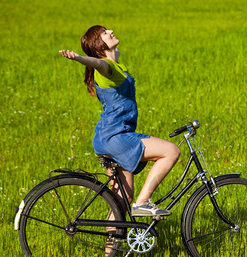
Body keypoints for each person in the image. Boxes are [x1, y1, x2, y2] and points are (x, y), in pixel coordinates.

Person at [59, 25, 180, 218]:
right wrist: (80, 58)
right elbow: (99, 63)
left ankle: (110, 249)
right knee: (171, 151)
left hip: (111, 136)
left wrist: (110, 52)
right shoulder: (106, 68)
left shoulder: (117, 66)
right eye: (105, 33)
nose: (111, 32)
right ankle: (143, 203)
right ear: (99, 45)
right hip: (116, 137)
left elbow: (108, 58)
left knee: (121, 202)